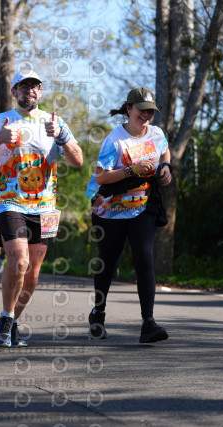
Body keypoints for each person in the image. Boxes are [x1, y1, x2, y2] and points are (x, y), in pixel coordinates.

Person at [0, 69, 83, 347]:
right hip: (8, 201)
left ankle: (12, 322)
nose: (29, 90)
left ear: (40, 92)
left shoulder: (55, 123)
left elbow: (78, 161)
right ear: (14, 91)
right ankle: (7, 318)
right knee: (19, 261)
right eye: (23, 86)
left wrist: (62, 137)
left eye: (34, 86)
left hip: (45, 207)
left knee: (32, 274)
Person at [88, 87, 172, 344]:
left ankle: (148, 323)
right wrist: (131, 170)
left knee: (144, 260)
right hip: (110, 211)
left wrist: (166, 166)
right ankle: (98, 314)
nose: (146, 115)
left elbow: (164, 150)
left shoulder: (157, 134)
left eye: (150, 111)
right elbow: (101, 177)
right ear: (129, 109)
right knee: (108, 265)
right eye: (141, 110)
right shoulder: (115, 140)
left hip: (142, 208)